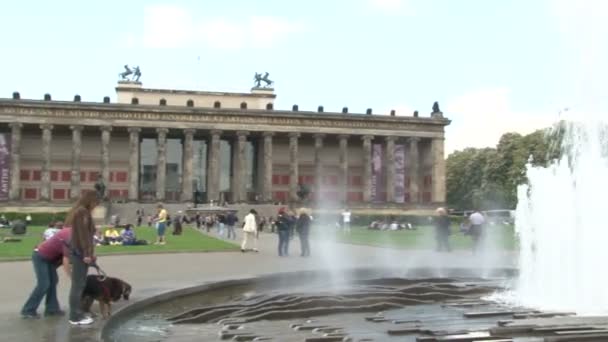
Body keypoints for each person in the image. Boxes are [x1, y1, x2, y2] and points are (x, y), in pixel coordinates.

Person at [21, 224, 72, 319]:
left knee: (53, 281)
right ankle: (28, 310)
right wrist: (71, 277)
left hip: (49, 259)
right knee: (44, 284)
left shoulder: (74, 234)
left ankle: (52, 309)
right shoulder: (70, 235)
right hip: (40, 256)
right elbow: (66, 261)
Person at [66, 190, 99, 326]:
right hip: (80, 254)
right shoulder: (82, 213)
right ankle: (75, 316)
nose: (96, 205)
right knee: (78, 285)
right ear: (90, 200)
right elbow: (83, 235)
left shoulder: (81, 212)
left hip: (80, 253)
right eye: (96, 202)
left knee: (79, 284)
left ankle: (77, 312)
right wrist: (86, 254)